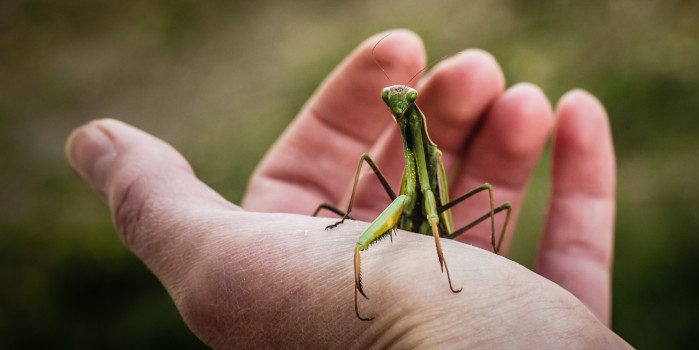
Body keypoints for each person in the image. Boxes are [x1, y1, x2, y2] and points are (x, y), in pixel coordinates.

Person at [66, 30, 630, 348]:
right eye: (391, 100)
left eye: (401, 100)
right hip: (411, 206)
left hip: (437, 215)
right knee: (366, 176)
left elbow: (426, 199)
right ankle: (354, 232)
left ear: (411, 106)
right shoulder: (404, 145)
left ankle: (448, 257)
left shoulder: (426, 146)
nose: (394, 103)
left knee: (493, 201)